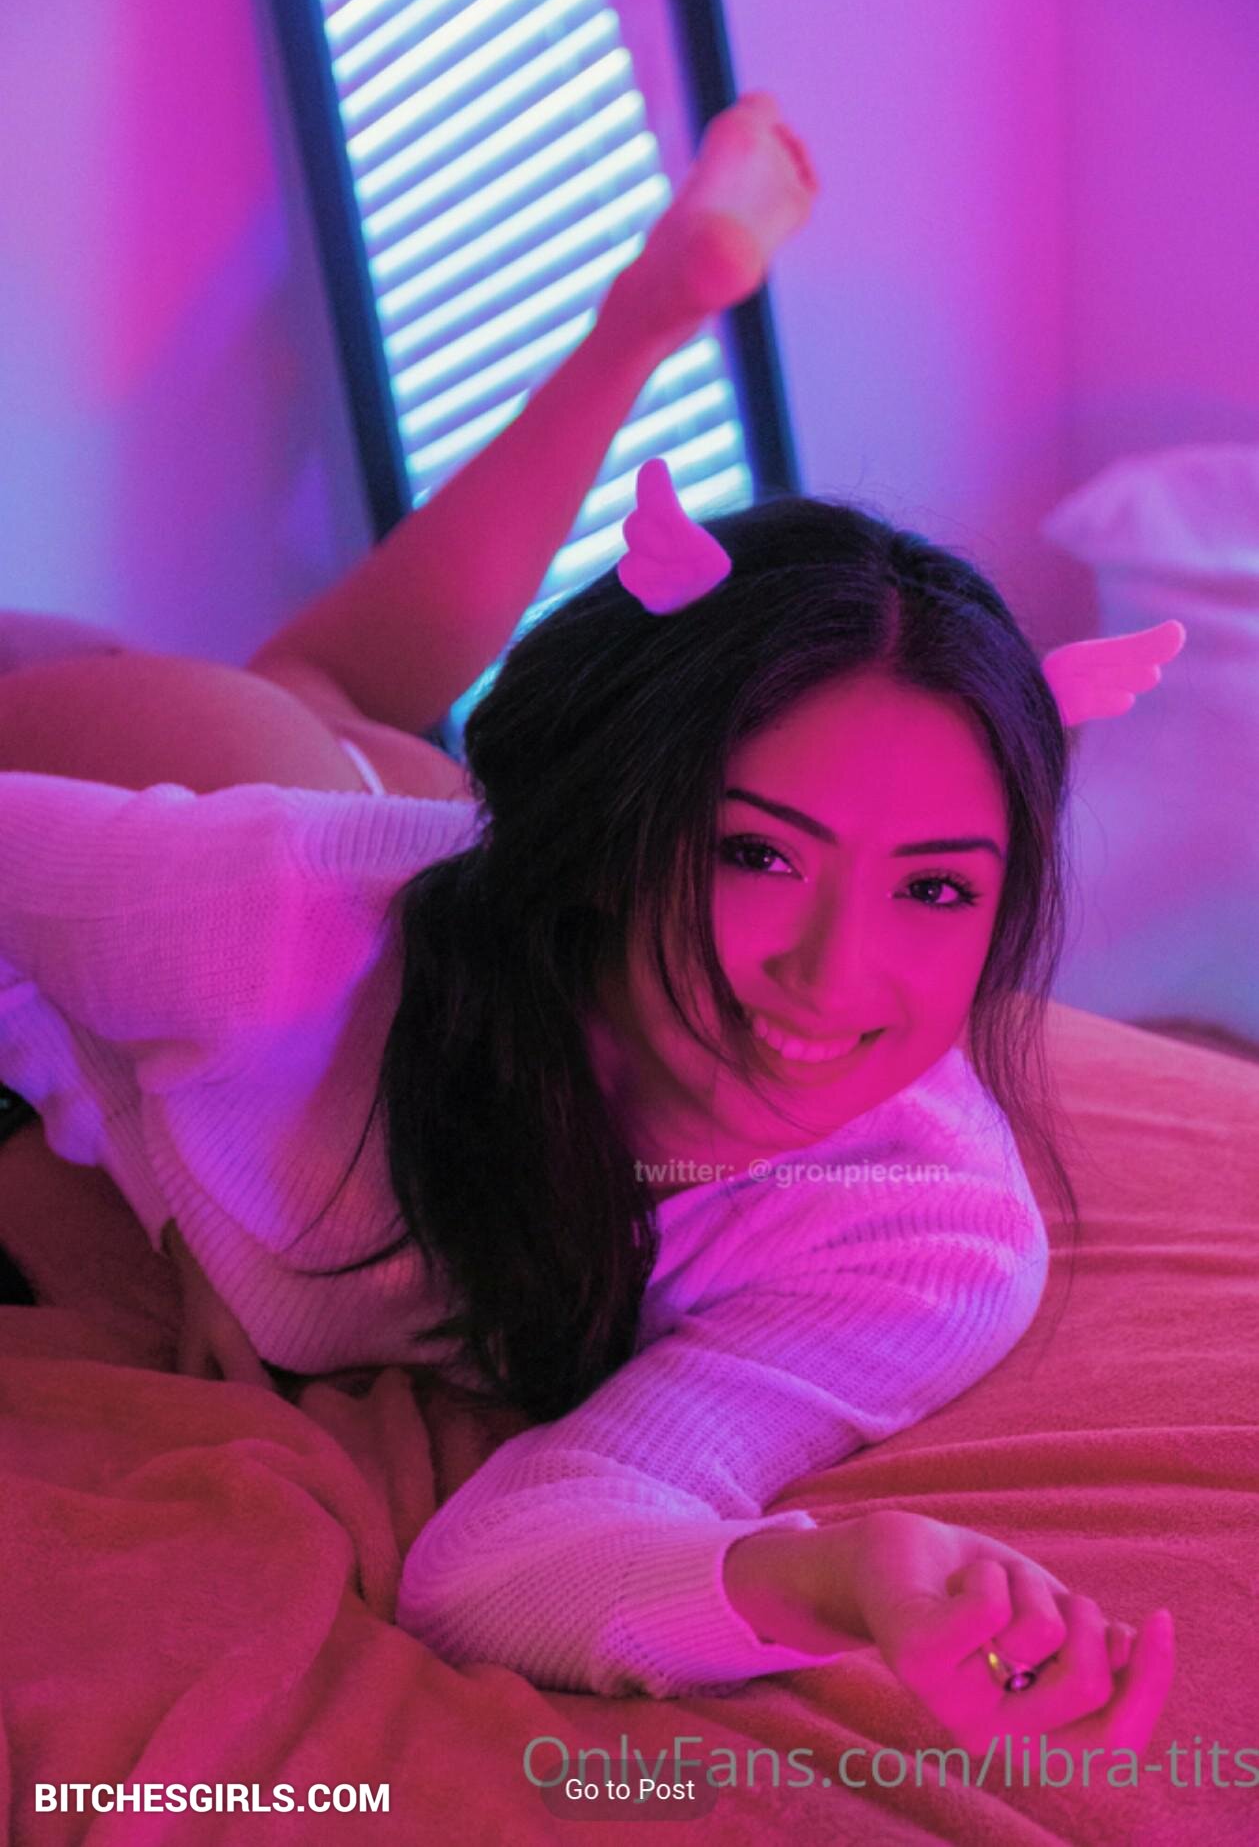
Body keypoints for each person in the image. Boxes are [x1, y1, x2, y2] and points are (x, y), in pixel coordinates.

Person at [0, 96, 1174, 1748]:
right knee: (290, 715)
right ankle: (647, 314)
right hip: (167, 769)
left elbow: (504, 1565)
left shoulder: (935, 1236)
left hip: (452, 867)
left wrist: (820, 1578)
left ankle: (657, 299)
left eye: (934, 887)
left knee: (336, 688)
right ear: (628, 838)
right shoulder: (261, 918)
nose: (837, 978)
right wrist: (131, 1144)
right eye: (756, 854)